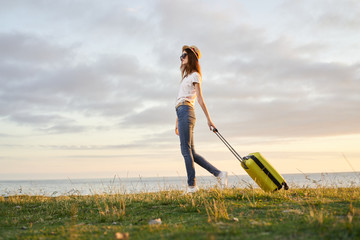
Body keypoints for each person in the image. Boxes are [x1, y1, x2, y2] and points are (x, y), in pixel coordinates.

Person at [175, 45, 228, 193]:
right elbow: (180, 99)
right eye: (181, 56)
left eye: (184, 55)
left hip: (187, 112)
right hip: (181, 113)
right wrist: (177, 121)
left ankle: (192, 186)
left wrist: (209, 120)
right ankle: (219, 174)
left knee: (186, 151)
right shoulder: (186, 77)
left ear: (191, 57)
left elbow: (199, 99)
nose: (181, 58)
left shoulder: (195, 76)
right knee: (192, 153)